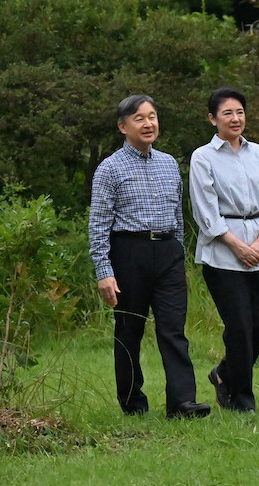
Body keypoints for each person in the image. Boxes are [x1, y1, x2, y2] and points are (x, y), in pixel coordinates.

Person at [89, 94, 210, 419]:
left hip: (168, 253)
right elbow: (98, 224)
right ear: (123, 126)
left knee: (173, 329)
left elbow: (177, 216)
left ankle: (183, 403)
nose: (148, 123)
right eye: (139, 118)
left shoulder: (169, 163)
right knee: (130, 330)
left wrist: (180, 257)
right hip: (129, 253)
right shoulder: (110, 169)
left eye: (152, 116)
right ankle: (133, 403)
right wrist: (104, 271)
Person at [189, 87, 259, 413]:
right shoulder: (203, 157)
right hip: (222, 251)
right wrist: (235, 244)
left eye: (240, 112)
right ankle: (241, 399)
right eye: (227, 113)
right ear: (212, 119)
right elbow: (205, 211)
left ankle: (225, 373)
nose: (235, 118)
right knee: (240, 325)